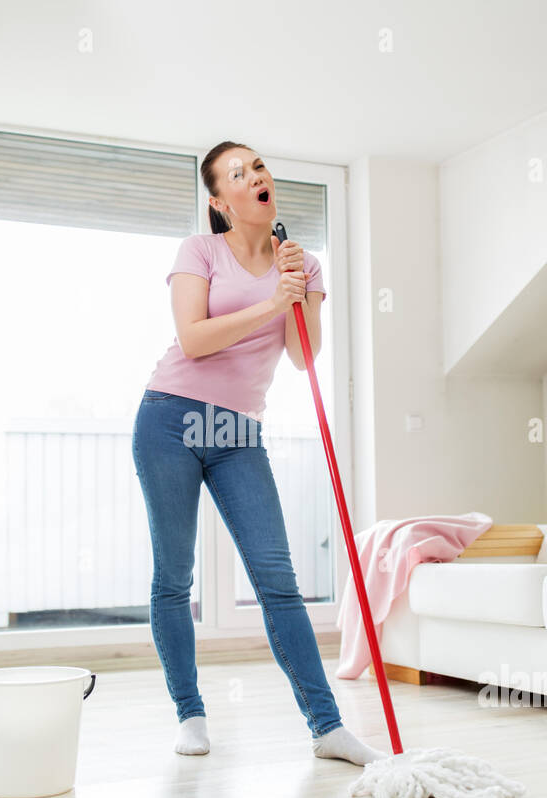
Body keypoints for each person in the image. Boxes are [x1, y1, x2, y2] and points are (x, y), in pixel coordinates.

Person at [131, 140, 384, 766]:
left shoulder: (303, 262)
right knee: (174, 576)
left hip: (239, 431)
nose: (256, 176)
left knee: (278, 580)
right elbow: (192, 341)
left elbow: (302, 357)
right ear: (221, 201)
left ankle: (327, 727)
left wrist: (297, 292)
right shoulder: (201, 251)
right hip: (170, 417)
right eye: (239, 174)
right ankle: (190, 713)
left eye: (259, 167)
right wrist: (271, 301)